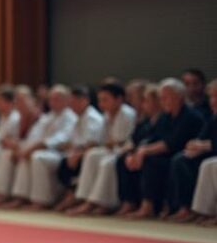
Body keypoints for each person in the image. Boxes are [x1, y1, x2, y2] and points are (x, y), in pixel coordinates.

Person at [118, 78, 204, 220]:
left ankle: (152, 206)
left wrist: (144, 151)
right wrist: (135, 153)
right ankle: (130, 202)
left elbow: (171, 143)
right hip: (167, 154)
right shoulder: (166, 117)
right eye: (161, 98)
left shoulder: (191, 116)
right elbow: (153, 138)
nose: (163, 101)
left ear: (179, 97)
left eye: (166, 98)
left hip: (184, 154)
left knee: (152, 161)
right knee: (125, 159)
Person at [0, 85, 77, 208]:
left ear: (66, 100)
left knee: (36, 156)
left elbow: (59, 139)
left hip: (59, 153)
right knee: (10, 154)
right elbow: (34, 137)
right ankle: (14, 195)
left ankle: (41, 200)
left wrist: (29, 148)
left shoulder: (70, 117)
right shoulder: (49, 117)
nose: (53, 102)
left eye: (57, 99)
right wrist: (20, 148)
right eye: (51, 99)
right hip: (42, 150)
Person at [66, 82, 138, 215]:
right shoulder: (106, 115)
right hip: (110, 149)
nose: (101, 104)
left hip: (124, 150)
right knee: (91, 155)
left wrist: (110, 143)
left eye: (105, 100)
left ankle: (103, 203)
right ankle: (85, 198)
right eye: (100, 100)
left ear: (119, 99)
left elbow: (122, 141)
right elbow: (103, 140)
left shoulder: (127, 114)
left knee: (107, 163)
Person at [27, 85, 104, 209]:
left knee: (66, 162)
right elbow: (70, 141)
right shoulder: (77, 118)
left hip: (88, 153)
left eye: (74, 101)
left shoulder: (91, 117)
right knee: (63, 162)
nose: (72, 105)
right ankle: (66, 196)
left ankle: (80, 199)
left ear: (84, 100)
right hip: (71, 152)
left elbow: (92, 142)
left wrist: (77, 153)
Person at [167, 80, 217, 222]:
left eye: (216, 97)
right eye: (212, 97)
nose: (213, 101)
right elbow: (202, 137)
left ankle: (210, 211)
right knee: (181, 159)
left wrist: (205, 146)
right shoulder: (213, 116)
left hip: (212, 154)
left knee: (209, 165)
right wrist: (194, 145)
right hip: (210, 154)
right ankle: (192, 209)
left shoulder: (192, 115)